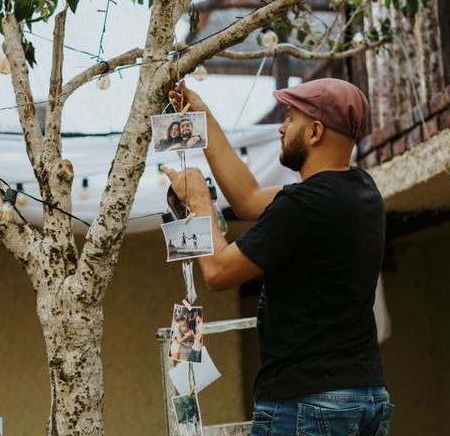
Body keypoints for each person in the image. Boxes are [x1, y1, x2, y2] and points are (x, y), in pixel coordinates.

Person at [162, 78, 393, 435]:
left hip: (307, 401)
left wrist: (199, 201)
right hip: (366, 396)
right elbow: (248, 198)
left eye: (290, 118)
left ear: (315, 131)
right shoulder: (364, 190)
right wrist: (201, 116)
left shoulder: (299, 208)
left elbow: (218, 273)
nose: (282, 128)